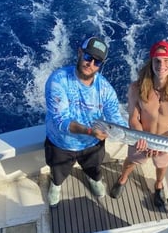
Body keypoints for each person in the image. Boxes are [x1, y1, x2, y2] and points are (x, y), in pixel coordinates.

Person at [109, 40, 168, 207]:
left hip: (167, 141)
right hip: (140, 139)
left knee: (162, 166)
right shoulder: (136, 88)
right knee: (131, 161)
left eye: (166, 61)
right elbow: (133, 118)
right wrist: (141, 138)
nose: (161, 65)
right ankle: (123, 178)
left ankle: (158, 185)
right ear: (151, 62)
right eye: (157, 60)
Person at [44, 36, 127, 207]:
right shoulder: (58, 80)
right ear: (80, 52)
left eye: (97, 62)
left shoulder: (105, 89)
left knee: (94, 169)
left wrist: (135, 138)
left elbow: (115, 118)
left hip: (93, 144)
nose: (91, 64)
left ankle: (94, 180)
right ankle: (56, 185)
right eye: (88, 57)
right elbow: (61, 122)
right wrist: (90, 131)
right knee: (59, 172)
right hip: (61, 143)